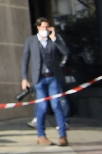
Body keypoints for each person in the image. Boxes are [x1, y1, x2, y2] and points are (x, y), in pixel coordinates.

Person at [21, 18, 69, 146]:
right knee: (42, 107)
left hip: (53, 77)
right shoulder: (31, 41)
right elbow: (25, 60)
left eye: (47, 28)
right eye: (43, 28)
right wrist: (24, 78)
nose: (45, 30)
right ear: (38, 28)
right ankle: (41, 136)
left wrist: (55, 39)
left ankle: (63, 136)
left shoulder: (54, 40)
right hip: (39, 78)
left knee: (56, 106)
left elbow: (65, 52)